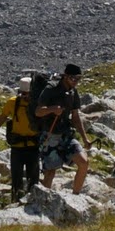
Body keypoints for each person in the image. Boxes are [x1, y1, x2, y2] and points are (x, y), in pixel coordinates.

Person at [0, 74, 42, 202]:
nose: (25, 97)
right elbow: (1, 119)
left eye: (27, 94)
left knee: (33, 178)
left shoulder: (38, 105)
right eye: (23, 94)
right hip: (17, 147)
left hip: (33, 146)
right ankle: (15, 201)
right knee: (16, 177)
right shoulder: (12, 103)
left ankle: (33, 202)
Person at [37, 63, 91, 192]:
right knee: (50, 172)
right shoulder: (51, 88)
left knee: (83, 163)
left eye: (79, 78)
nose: (76, 82)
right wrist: (52, 109)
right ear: (65, 76)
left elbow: (76, 117)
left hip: (66, 134)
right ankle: (44, 199)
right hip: (50, 135)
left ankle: (75, 197)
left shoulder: (73, 92)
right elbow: (38, 111)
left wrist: (85, 138)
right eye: (74, 78)